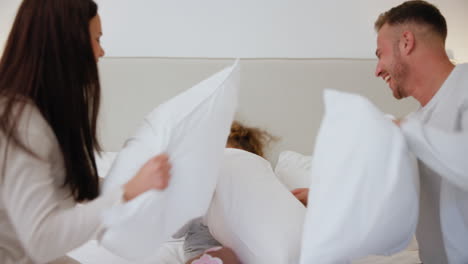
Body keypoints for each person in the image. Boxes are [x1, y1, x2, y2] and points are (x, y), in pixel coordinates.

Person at [294, 1, 468, 263]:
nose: (377, 70)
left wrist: (403, 130)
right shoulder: (415, 123)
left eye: (380, 53)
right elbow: (387, 192)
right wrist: (323, 194)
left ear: (406, 42)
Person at [0, 1, 171, 263]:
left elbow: (65, 183)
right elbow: (42, 239)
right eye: (97, 39)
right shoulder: (22, 124)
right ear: (67, 43)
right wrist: (126, 192)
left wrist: (131, 183)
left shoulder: (33, 112)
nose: (101, 52)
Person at [174, 121, 273, 264]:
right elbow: (175, 231)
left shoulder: (253, 192)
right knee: (225, 255)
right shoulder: (198, 196)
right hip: (204, 254)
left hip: (248, 256)